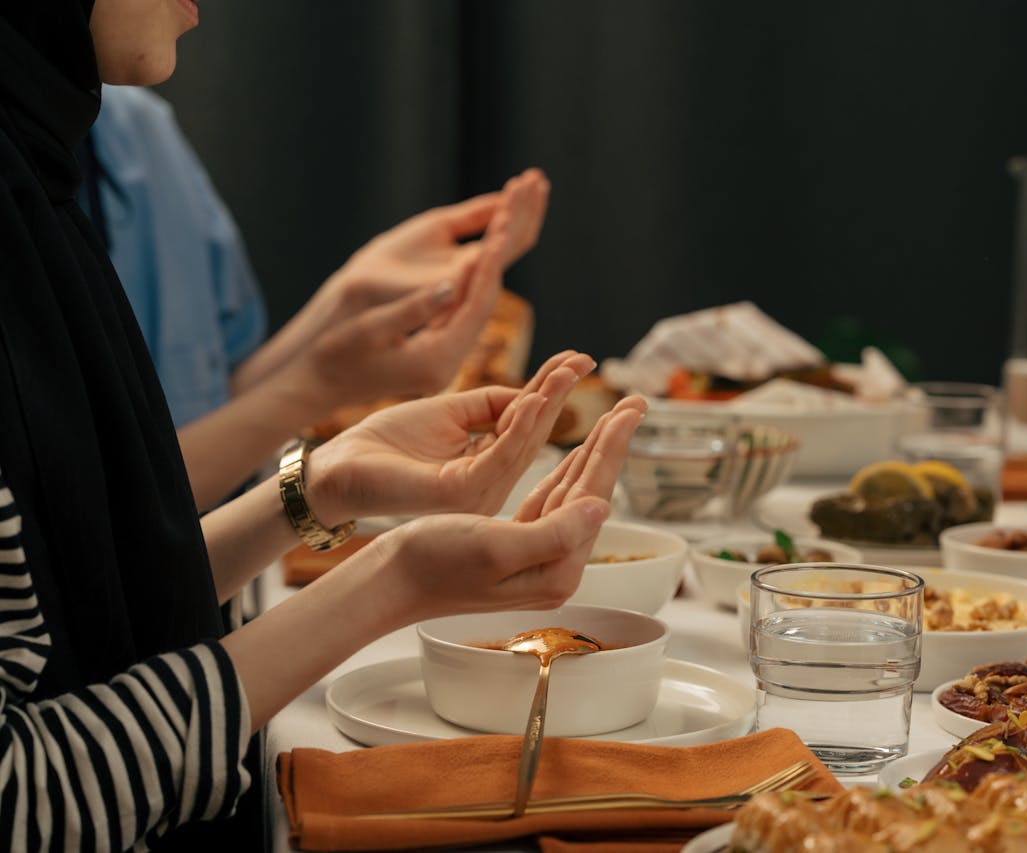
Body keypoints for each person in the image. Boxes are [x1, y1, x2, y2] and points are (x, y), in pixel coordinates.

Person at [0, 3, 646, 851]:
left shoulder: (32, 176)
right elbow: (19, 796)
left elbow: (77, 615)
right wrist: (390, 580)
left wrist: (316, 490)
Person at [80, 82, 553, 510]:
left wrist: (349, 299)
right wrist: (322, 385)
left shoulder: (142, 129)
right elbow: (96, 515)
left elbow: (209, 407)